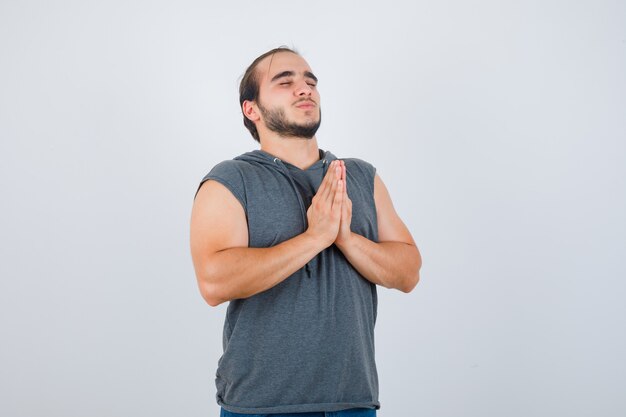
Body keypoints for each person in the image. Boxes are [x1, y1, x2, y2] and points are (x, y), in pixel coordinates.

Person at [190, 47, 422, 417]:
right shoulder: (231, 180)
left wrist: (346, 238)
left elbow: (409, 272)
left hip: (353, 401)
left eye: (310, 81)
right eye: (285, 82)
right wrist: (315, 238)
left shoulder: (360, 176)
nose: (305, 89)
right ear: (251, 109)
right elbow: (214, 283)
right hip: (260, 405)